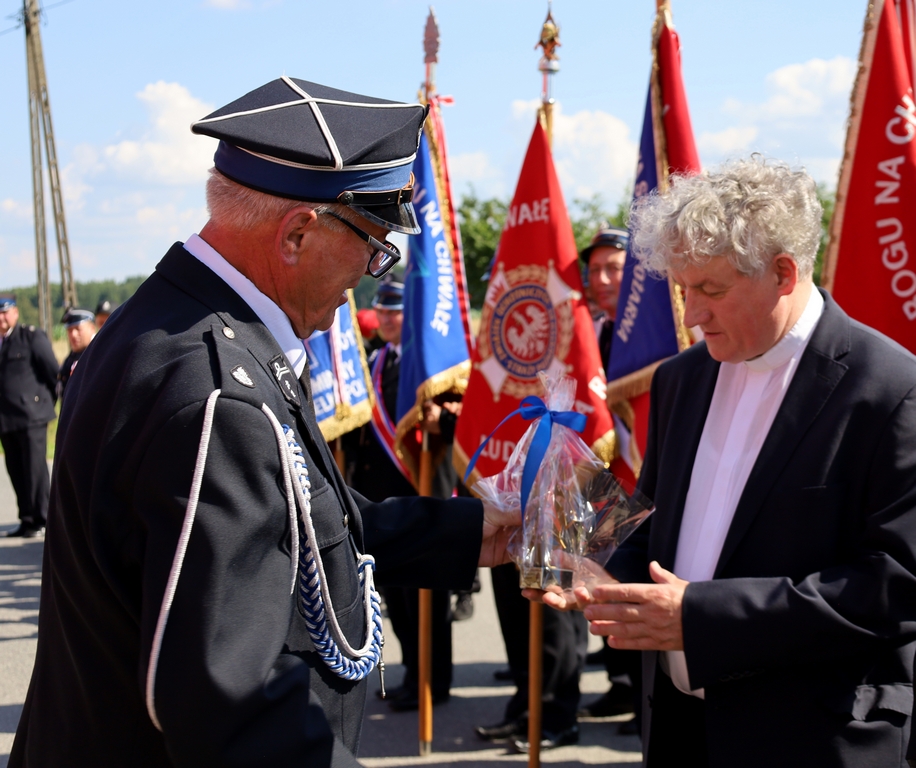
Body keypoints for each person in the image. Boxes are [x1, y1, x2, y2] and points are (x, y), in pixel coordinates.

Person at [10, 77, 519, 768]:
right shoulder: (218, 392)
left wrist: (463, 531)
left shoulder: (178, 324)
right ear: (297, 233)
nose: (372, 272)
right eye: (374, 244)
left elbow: (297, 518)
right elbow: (230, 706)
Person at [534, 157, 916, 767]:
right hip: (678, 731)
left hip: (812, 739)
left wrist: (700, 619)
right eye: (683, 290)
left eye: (711, 290)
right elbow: (655, 528)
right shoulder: (681, 378)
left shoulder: (892, 389)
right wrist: (596, 568)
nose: (692, 314)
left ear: (784, 272)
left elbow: (895, 587)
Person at [345, 280, 457, 712]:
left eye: (396, 312)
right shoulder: (374, 361)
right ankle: (413, 671)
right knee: (397, 598)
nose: (388, 319)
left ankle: (433, 680)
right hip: (382, 498)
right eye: (383, 311)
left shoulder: (428, 367)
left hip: (420, 492)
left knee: (426, 598)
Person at [0, 297, 58, 538]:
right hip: (6, 419)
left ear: (15, 313)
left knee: (35, 471)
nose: (2, 318)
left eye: (5, 312)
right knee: (16, 470)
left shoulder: (30, 337)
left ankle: (43, 519)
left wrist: (42, 404)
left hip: (31, 416)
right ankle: (27, 519)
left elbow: (53, 373)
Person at [580, 226, 628, 370]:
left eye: (614, 268)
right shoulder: (588, 334)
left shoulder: (659, 331)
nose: (602, 279)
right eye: (595, 270)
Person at [57, 308, 97, 401]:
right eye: (69, 330)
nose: (73, 335)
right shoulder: (70, 358)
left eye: (78, 329)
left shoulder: (98, 355)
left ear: (92, 328)